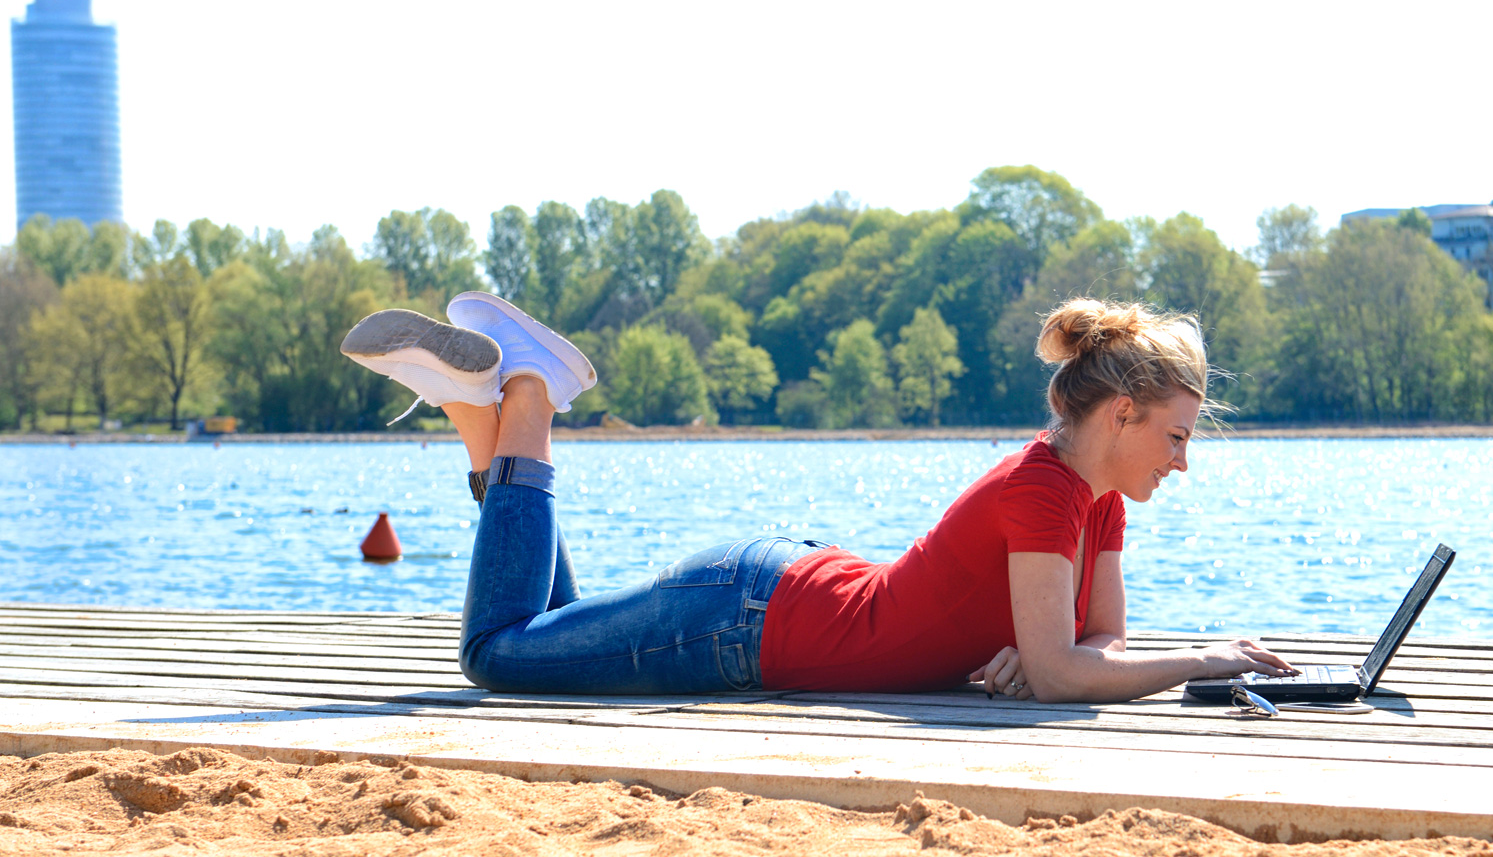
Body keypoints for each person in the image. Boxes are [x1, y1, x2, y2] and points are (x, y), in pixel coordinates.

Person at [340, 292, 1295, 702]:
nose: (1182, 462)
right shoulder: (1046, 492)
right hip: (745, 623)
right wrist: (1199, 660)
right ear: (1122, 415)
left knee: (550, 631)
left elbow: (1095, 647)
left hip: (774, 598)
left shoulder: (1092, 494)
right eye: (1176, 437)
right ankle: (529, 396)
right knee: (497, 655)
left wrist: (1040, 654)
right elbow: (1062, 672)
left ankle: (480, 414)